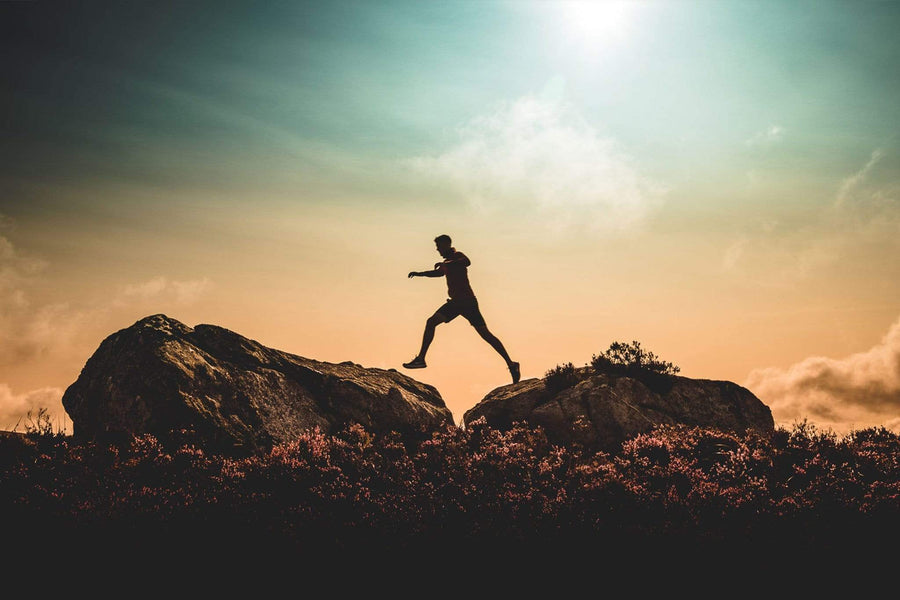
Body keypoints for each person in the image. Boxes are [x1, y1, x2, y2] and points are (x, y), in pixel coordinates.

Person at [403, 234, 520, 384]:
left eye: (439, 247)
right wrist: (420, 273)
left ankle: (511, 364)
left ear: (446, 245)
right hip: (456, 303)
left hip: (468, 303)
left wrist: (447, 264)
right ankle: (421, 359)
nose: (437, 250)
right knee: (431, 322)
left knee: (486, 335)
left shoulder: (457, 256)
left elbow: (467, 262)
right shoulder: (446, 262)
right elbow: (438, 273)